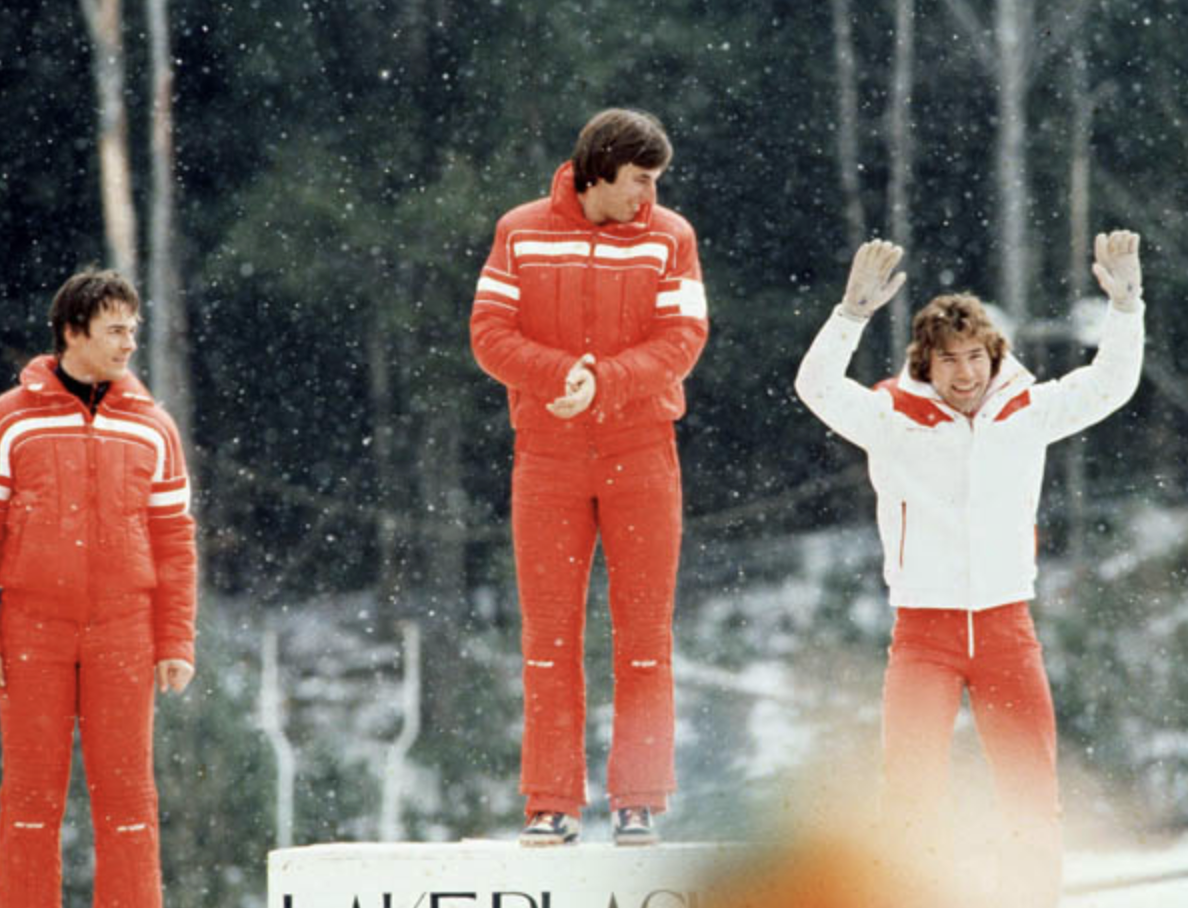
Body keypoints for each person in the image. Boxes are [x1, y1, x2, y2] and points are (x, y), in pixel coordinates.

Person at [794, 232, 1145, 906]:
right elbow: (814, 387)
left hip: (1008, 629)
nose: (965, 373)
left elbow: (1111, 385)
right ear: (926, 365)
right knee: (911, 793)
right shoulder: (890, 418)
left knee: (1030, 793)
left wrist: (1126, 307)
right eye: (948, 360)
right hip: (923, 637)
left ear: (995, 356)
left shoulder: (1026, 412)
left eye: (975, 357)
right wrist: (850, 315)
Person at [470, 108, 708, 846]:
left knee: (644, 636)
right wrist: (556, 376)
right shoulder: (521, 230)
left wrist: (603, 380)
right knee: (549, 637)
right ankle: (552, 802)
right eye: (641, 178)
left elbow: (684, 339)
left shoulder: (672, 237)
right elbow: (488, 335)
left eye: (656, 181)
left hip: (642, 450)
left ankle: (637, 798)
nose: (650, 194)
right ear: (601, 168)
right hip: (547, 455)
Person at [0, 268, 197, 907]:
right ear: (71, 332)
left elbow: (174, 543)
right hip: (31, 629)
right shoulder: (10, 421)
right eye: (114, 330)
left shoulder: (153, 427)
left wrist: (175, 641)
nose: (128, 343)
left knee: (128, 796)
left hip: (124, 630)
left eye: (133, 330)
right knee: (30, 796)